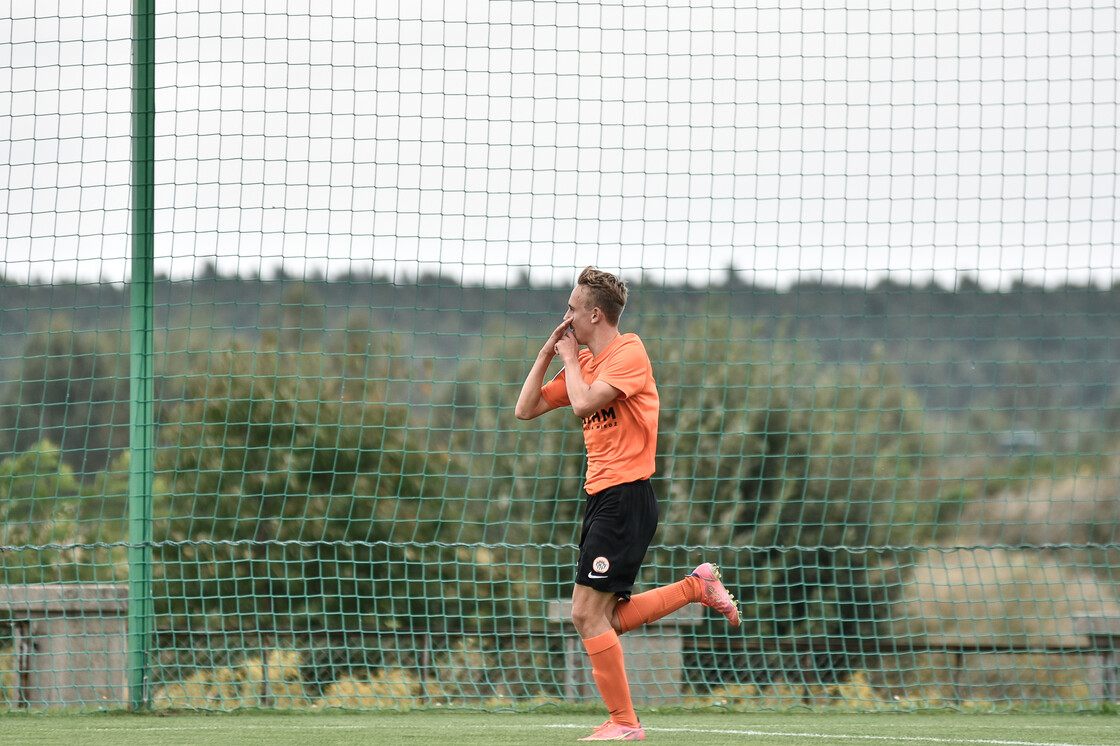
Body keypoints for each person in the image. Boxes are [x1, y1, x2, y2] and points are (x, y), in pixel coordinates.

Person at [515, 266, 741, 742]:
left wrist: (570, 360)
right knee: (604, 619)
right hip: (602, 499)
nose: (566, 316)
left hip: (626, 497)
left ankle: (625, 723)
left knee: (584, 614)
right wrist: (546, 352)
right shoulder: (586, 363)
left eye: (573, 309)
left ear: (595, 314)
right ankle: (695, 587)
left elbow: (582, 404)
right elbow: (526, 407)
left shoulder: (628, 352)